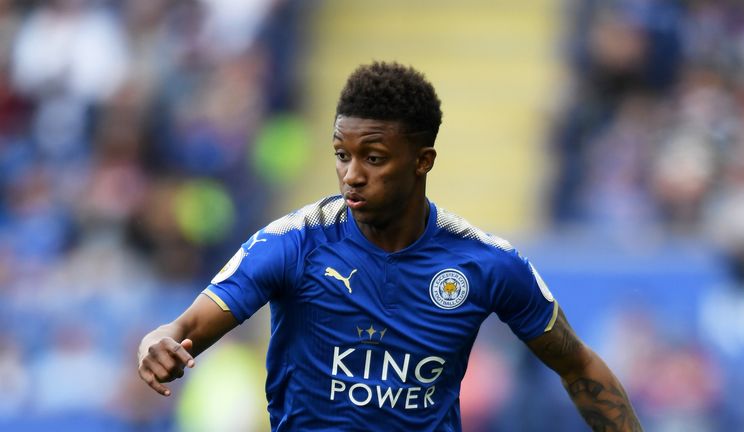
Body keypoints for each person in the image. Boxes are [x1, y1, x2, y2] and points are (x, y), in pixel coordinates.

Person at [138, 61, 643, 431]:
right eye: (341, 154)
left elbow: (578, 364)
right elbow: (181, 330)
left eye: (374, 158)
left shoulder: (485, 263)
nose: (351, 175)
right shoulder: (292, 244)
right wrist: (157, 345)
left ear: (423, 160)